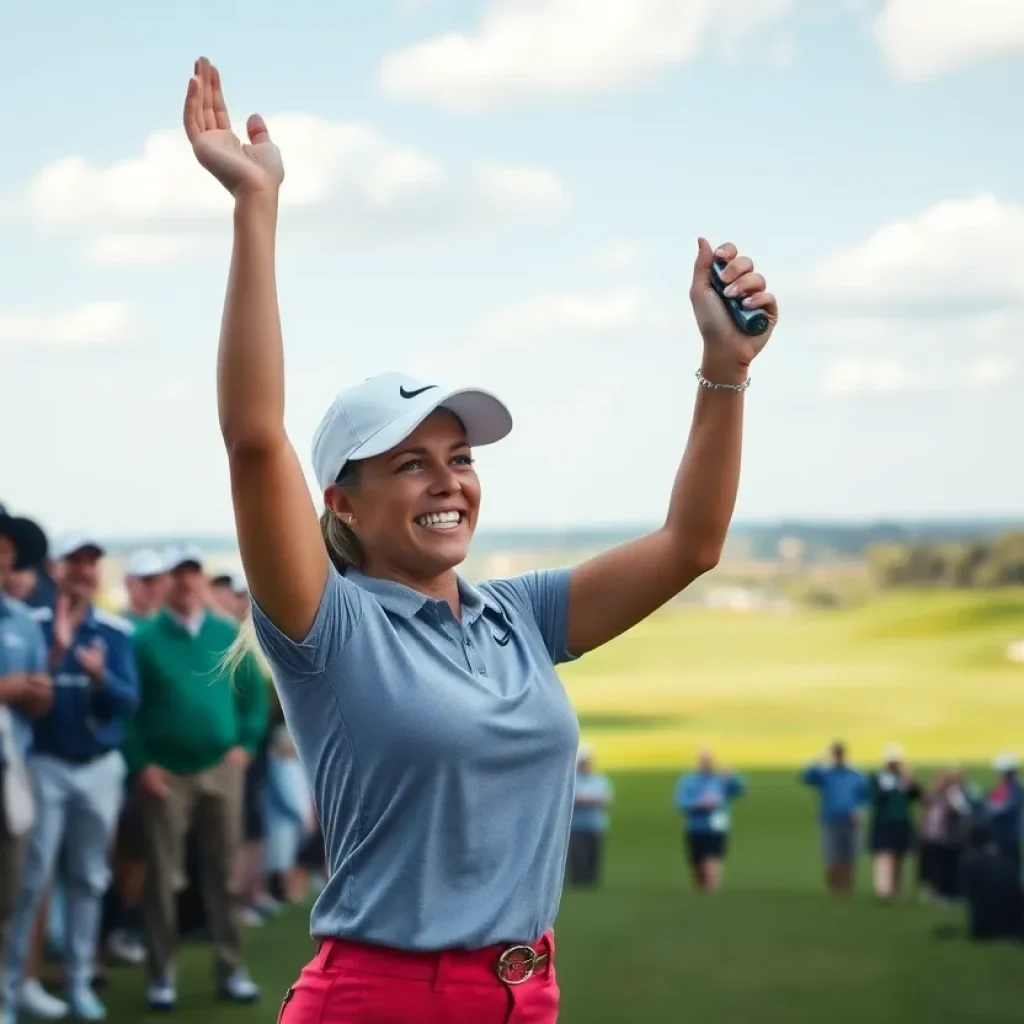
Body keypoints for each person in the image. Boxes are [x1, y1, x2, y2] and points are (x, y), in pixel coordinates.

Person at [184, 54, 777, 1024]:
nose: (448, 481)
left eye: (458, 457)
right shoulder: (325, 626)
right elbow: (255, 441)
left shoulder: (519, 616)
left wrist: (724, 366)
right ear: (342, 501)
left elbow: (690, 544)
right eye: (410, 462)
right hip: (378, 999)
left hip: (525, 993)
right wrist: (256, 205)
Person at [124, 544, 269, 1011]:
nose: (186, 583)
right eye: (177, 575)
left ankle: (231, 969)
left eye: (193, 574)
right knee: (164, 880)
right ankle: (161, 976)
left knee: (225, 877)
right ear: (165, 582)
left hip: (220, 770)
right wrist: (141, 763)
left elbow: (254, 698)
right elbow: (129, 712)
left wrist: (244, 747)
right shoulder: (143, 639)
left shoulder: (226, 632)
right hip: (165, 774)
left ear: (202, 581)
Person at [3, 532, 139, 1023]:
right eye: (74, 561)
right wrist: (58, 653)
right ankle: (15, 986)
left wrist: (101, 677)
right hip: (43, 765)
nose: (83, 570)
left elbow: (128, 703)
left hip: (98, 768)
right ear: (56, 568)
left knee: (88, 877)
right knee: (29, 879)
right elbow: (33, 700)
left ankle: (80, 981)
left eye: (91, 562)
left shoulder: (115, 630)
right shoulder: (31, 622)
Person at [0, 509, 52, 1024]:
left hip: (13, 773)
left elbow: (36, 700)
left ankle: (9, 994)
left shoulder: (20, 620)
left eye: (6, 552)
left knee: (12, 891)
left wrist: (37, 696)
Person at [801, 742, 867, 896]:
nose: (838, 757)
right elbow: (805, 777)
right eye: (836, 754)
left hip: (851, 820)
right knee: (832, 858)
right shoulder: (826, 775)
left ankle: (846, 888)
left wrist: (861, 810)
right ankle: (834, 886)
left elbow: (864, 796)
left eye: (840, 754)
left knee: (848, 857)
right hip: (831, 819)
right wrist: (818, 759)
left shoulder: (855, 774)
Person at [675, 749, 746, 891]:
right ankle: (703, 888)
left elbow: (740, 791)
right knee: (698, 864)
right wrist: (699, 804)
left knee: (713, 860)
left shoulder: (721, 779)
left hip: (716, 826)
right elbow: (680, 803)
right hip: (696, 827)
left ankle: (713, 889)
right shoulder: (688, 781)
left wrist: (732, 777)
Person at [867, 743, 922, 901]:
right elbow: (878, 797)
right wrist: (894, 785)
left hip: (902, 821)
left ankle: (895, 890)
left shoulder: (905, 779)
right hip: (884, 822)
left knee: (899, 856)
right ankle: (883, 891)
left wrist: (909, 780)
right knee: (884, 856)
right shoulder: (877, 778)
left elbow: (917, 794)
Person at [566, 745, 614, 888]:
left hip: (595, 823)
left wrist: (587, 800)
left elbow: (608, 799)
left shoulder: (600, 780)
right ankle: (577, 879)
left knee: (594, 852)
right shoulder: (571, 779)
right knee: (577, 853)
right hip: (575, 824)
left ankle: (591, 880)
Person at [985, 753, 1023, 876]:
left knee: (1010, 866)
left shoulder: (1014, 789)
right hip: (1001, 834)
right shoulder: (1003, 788)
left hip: (1009, 835)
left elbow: (1008, 809)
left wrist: (991, 810)